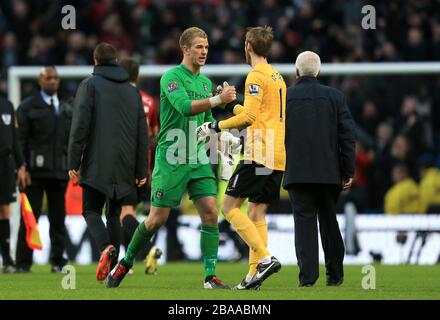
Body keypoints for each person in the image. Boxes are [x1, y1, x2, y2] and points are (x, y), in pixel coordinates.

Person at [106, 27, 237, 289]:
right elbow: (185, 108)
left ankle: (210, 276)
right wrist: (217, 99)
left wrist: (219, 136)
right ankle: (127, 260)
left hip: (198, 157)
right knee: (157, 220)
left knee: (211, 213)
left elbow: (206, 120)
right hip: (172, 157)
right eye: (199, 47)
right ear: (185, 49)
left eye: (207, 47)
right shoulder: (171, 78)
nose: (204, 52)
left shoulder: (204, 82)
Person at [196, 26, 286, 290]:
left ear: (248, 46)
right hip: (277, 153)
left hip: (259, 151)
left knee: (228, 208)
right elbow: (256, 112)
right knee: (257, 212)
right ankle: (252, 276)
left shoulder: (255, 76)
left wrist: (215, 126)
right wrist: (231, 104)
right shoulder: (277, 76)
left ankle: (266, 259)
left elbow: (249, 118)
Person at [68, 43, 148, 282]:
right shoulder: (133, 91)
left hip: (97, 161)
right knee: (113, 214)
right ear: (115, 61)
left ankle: (105, 247)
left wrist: (73, 159)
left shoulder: (90, 85)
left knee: (90, 209)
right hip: (125, 164)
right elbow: (141, 133)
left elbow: (79, 125)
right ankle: (113, 268)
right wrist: (140, 168)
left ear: (95, 60)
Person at [283, 51, 356, 287]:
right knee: (329, 221)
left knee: (303, 224)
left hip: (297, 173)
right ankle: (335, 275)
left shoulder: (285, 98)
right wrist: (348, 171)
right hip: (328, 172)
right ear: (319, 71)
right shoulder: (335, 97)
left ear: (296, 73)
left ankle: (307, 279)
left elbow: (275, 135)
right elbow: (347, 137)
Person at [16, 66, 72, 273]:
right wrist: (21, 167)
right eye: (49, 78)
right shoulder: (28, 107)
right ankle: (23, 262)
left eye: (56, 78)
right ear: (40, 80)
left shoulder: (67, 106)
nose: (53, 81)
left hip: (59, 171)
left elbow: (72, 139)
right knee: (30, 218)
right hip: (34, 173)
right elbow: (19, 140)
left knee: (58, 219)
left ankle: (58, 261)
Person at [119, 57, 162, 275]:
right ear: (138, 75)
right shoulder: (149, 101)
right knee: (131, 210)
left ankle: (147, 249)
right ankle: (130, 259)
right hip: (143, 165)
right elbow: (154, 134)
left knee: (123, 212)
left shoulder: (117, 97)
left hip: (119, 162)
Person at [0, 96, 27, 273]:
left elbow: (15, 138)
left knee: (4, 210)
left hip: (4, 163)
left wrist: (21, 164)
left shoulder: (7, 105)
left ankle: (8, 260)